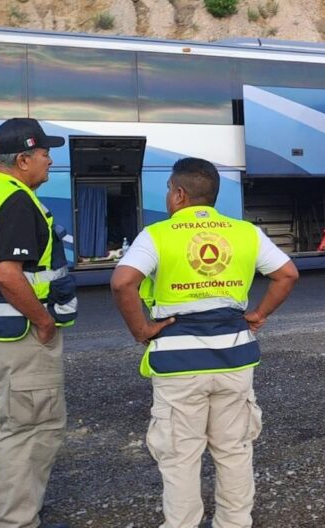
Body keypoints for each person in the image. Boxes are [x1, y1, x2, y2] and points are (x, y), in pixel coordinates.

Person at [111, 157, 299, 528]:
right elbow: (287, 274)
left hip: (178, 362)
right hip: (235, 357)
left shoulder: (157, 235)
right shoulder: (246, 232)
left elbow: (122, 282)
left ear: (179, 194)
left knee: (180, 455)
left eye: (168, 189)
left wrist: (142, 330)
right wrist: (258, 314)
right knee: (233, 449)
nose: (167, 196)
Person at [0, 118, 78, 528]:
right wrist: (44, 321)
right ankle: (17, 522)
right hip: (20, 335)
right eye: (45, 155)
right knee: (30, 431)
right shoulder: (17, 200)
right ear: (24, 159)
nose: (49, 163)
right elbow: (8, 274)